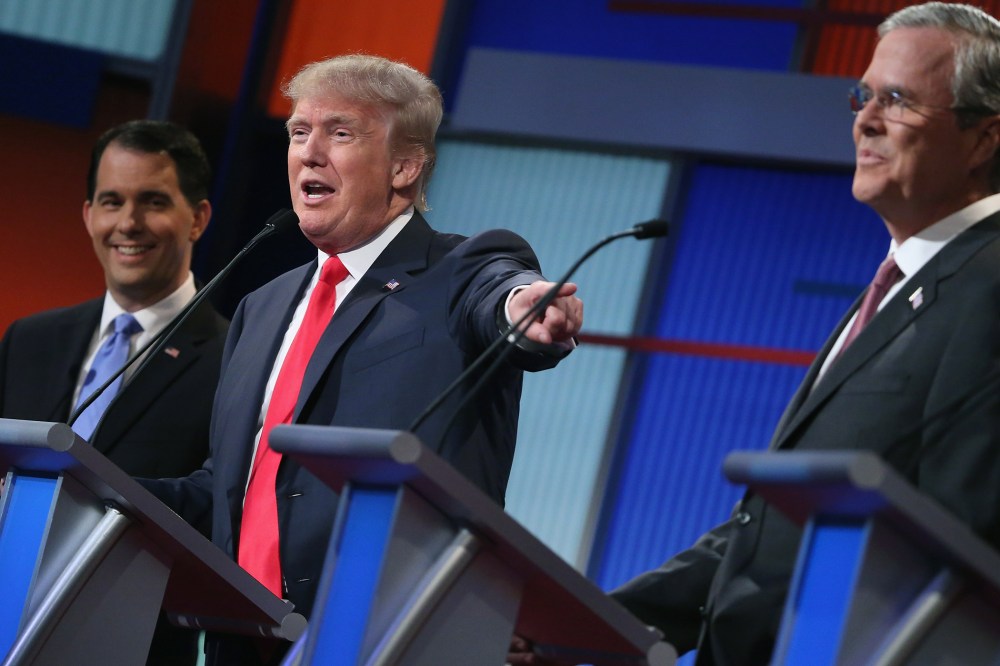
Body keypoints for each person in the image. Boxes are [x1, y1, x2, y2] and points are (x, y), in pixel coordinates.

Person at [593, 3, 1000, 665]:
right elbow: (772, 532)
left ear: (985, 138)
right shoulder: (902, 283)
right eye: (862, 96)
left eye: (896, 100)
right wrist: (597, 622)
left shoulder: (988, 289)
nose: (864, 121)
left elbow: (962, 547)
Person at [142, 54, 583, 664]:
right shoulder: (262, 307)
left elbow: (500, 295)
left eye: (340, 133)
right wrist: (85, 494)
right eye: (299, 132)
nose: (309, 153)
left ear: (405, 167)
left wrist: (524, 310)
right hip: (240, 638)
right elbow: (229, 487)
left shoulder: (458, 271)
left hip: (389, 639)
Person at [0, 119, 227, 664]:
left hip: (131, 644)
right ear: (88, 215)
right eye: (111, 201)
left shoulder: (235, 359)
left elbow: (217, 513)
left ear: (196, 218)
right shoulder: (29, 339)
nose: (128, 223)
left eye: (152, 201)